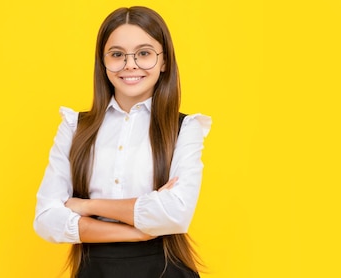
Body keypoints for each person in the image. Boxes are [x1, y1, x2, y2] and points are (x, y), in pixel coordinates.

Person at [33, 6, 211, 278]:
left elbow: (176, 213)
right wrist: (138, 231)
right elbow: (46, 219)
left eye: (144, 53)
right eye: (117, 54)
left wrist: (88, 206)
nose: (130, 64)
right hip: (95, 271)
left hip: (165, 269)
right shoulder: (74, 128)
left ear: (164, 61)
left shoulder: (185, 128)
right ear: (103, 62)